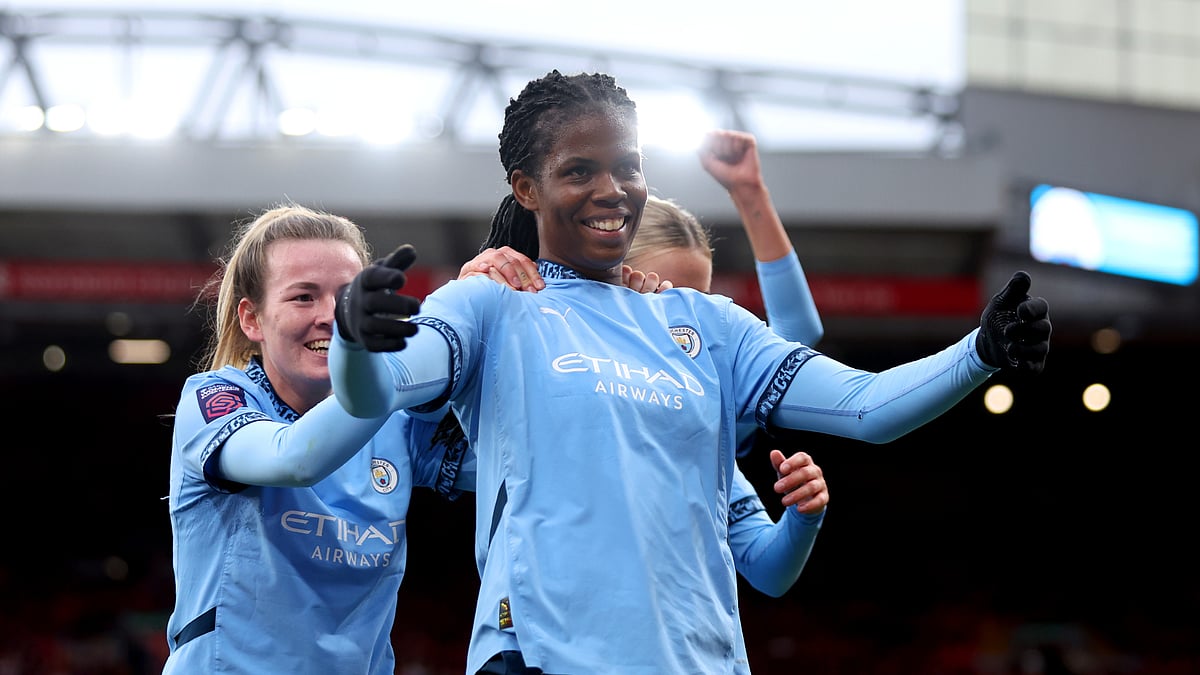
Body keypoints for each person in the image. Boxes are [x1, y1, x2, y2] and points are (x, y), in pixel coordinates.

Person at [328, 70, 1052, 674]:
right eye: (579, 170)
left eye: (629, 166)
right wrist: (353, 341)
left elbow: (865, 406)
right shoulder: (493, 300)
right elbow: (378, 390)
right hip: (540, 653)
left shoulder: (711, 324)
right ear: (526, 188)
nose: (612, 188)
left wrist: (978, 352)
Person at [163, 203, 528, 674]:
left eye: (348, 298)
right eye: (303, 298)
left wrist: (494, 309)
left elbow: (525, 470)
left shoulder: (397, 424)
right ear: (252, 319)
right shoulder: (216, 400)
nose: (333, 318)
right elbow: (293, 459)